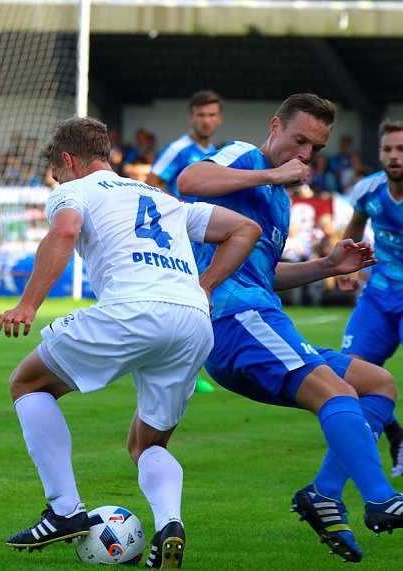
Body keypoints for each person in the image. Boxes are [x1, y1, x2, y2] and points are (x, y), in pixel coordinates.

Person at [0, 117, 261, 568]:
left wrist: (28, 305)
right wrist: (205, 287)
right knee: (148, 444)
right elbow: (244, 229)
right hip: (192, 321)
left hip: (133, 310)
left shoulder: (74, 191)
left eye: (58, 173)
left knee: (28, 384)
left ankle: (64, 511)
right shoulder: (162, 198)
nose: (58, 181)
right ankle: (169, 523)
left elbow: (64, 231)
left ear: (69, 161)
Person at [178, 93, 403, 563]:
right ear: (276, 126)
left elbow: (267, 275)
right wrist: (271, 174)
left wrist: (326, 265)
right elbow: (189, 178)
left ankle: (324, 492)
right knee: (337, 394)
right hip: (236, 319)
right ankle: (382, 499)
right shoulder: (247, 157)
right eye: (299, 140)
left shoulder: (278, 202)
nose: (304, 156)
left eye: (315, 149)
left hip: (260, 316)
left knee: (377, 383)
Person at [338, 120, 403, 478]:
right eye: (388, 149)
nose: (394, 156)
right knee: (350, 374)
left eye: (401, 149)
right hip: (378, 295)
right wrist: (347, 263)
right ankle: (397, 436)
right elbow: (356, 225)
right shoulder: (369, 190)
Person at [146, 90, 224, 199]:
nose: (206, 121)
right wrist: (181, 207)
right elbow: (150, 182)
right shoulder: (177, 149)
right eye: (201, 115)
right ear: (191, 117)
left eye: (212, 115)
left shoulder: (213, 151)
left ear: (219, 118)